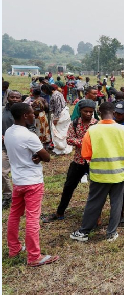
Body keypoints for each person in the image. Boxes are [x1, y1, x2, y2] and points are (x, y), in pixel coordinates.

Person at [69, 102, 124, 242]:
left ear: (99, 111)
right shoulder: (123, 130)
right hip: (119, 173)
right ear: (114, 112)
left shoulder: (92, 131)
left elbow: (86, 154)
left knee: (94, 202)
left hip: (99, 174)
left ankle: (84, 232)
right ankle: (111, 233)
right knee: (117, 202)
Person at [5, 102, 58, 266]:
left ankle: (14, 249)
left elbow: (22, 152)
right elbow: (47, 157)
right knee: (32, 218)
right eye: (31, 114)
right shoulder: (29, 135)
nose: (34, 116)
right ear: (24, 116)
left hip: (18, 181)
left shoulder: (8, 132)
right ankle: (34, 256)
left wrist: (36, 155)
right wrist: (39, 156)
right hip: (32, 182)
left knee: (14, 215)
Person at [43, 100, 98, 222]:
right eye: (86, 111)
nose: (88, 114)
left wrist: (80, 142)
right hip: (78, 161)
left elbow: (97, 143)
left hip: (93, 162)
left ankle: (95, 216)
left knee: (95, 190)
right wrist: (85, 142)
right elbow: (69, 139)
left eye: (91, 112)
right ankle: (59, 213)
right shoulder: (74, 123)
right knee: (68, 187)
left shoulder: (97, 125)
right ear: (80, 111)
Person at [2, 91, 21, 209]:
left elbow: (32, 128)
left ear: (20, 99)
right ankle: (7, 196)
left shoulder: (25, 111)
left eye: (17, 97)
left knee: (19, 173)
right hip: (4, 147)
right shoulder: (2, 111)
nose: (14, 99)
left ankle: (21, 196)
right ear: (7, 98)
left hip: (20, 147)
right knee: (2, 172)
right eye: (12, 97)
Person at [43, 84, 72, 155]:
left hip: (60, 115)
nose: (44, 93)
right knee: (63, 131)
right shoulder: (58, 93)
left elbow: (58, 108)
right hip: (64, 114)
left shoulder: (55, 96)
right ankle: (64, 147)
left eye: (44, 91)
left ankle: (61, 148)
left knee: (58, 132)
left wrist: (56, 118)